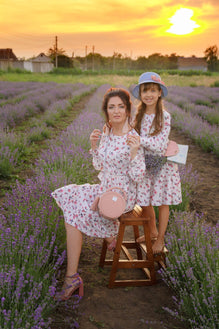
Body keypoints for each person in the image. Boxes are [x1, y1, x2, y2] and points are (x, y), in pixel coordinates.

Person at [51, 87, 145, 300]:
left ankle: (72, 278)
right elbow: (100, 166)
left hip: (121, 195)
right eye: (112, 107)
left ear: (128, 109)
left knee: (74, 217)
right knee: (68, 195)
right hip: (105, 190)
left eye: (121, 106)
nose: (116, 111)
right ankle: (108, 237)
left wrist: (134, 152)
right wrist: (95, 145)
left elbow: (139, 177)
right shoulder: (108, 132)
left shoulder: (133, 137)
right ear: (106, 111)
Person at [131, 72, 182, 254]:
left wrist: (139, 140)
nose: (149, 95)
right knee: (145, 201)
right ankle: (152, 231)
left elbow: (160, 145)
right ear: (140, 94)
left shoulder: (164, 116)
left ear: (160, 92)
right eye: (145, 91)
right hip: (145, 164)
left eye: (153, 90)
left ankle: (160, 239)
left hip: (162, 165)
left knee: (162, 202)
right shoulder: (138, 115)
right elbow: (131, 137)